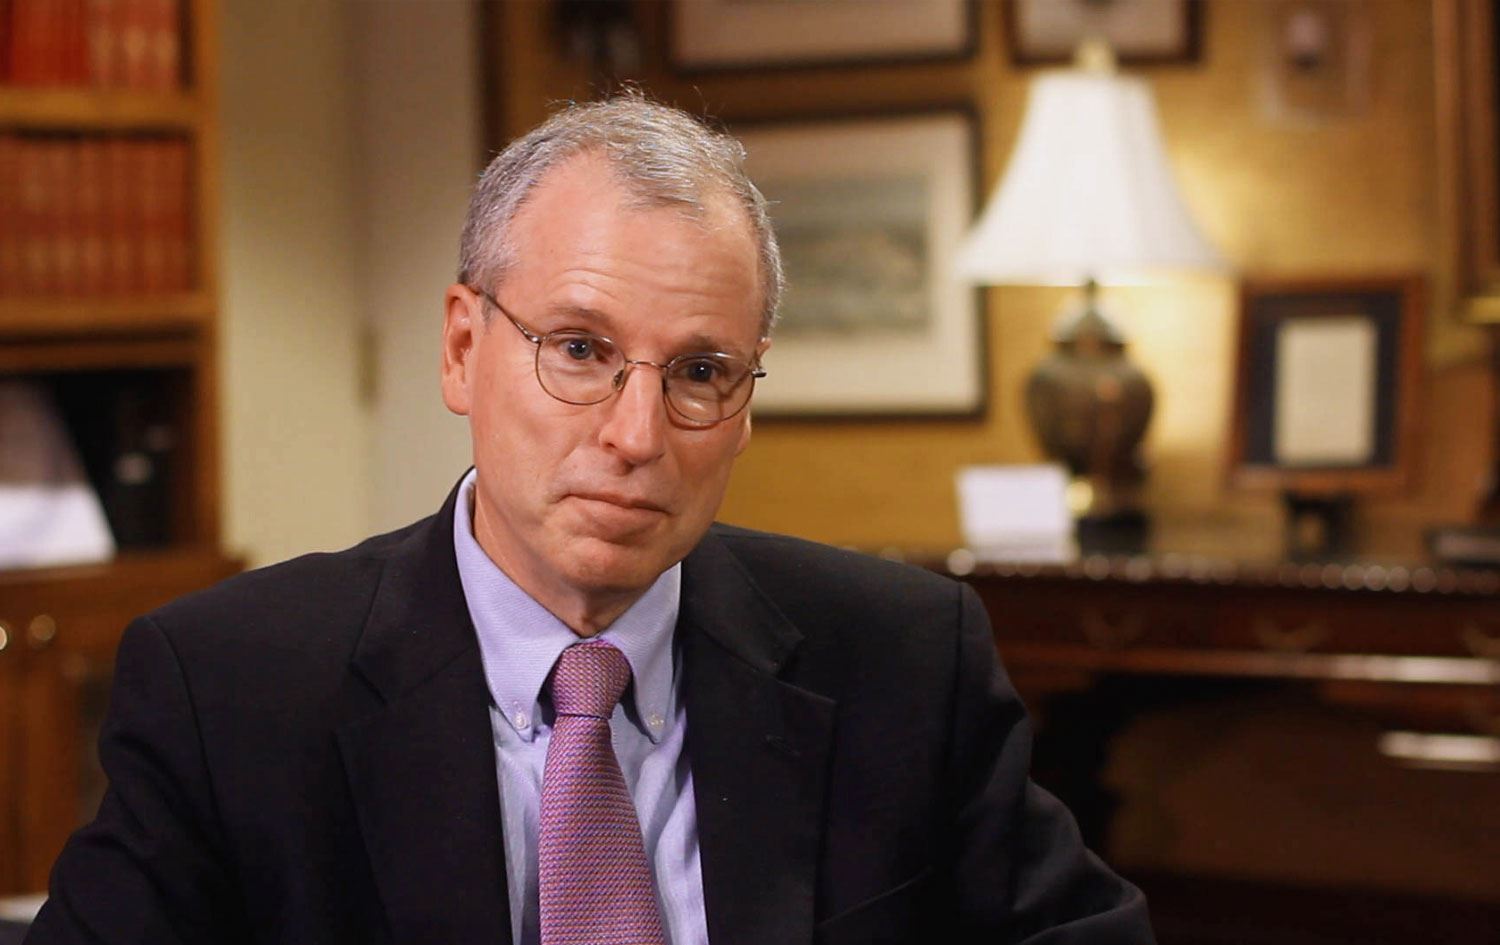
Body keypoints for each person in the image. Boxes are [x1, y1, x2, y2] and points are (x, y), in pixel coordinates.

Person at [26, 94, 1154, 945]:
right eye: (578, 350)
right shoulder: (229, 691)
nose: (635, 434)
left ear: (747, 404)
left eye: (701, 371)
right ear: (461, 348)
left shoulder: (903, 659)